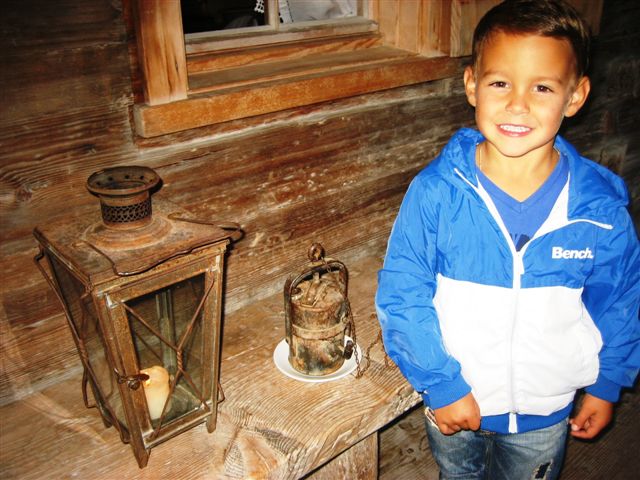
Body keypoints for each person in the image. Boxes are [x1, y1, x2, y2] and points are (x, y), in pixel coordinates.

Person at [375, 1, 640, 479]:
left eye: (542, 87)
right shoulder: (436, 193)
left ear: (575, 96)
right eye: (500, 83)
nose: (518, 104)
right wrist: (441, 384)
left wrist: (607, 384)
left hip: (546, 413)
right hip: (454, 401)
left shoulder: (599, 212)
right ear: (472, 85)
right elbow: (402, 293)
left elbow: (619, 301)